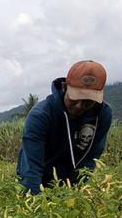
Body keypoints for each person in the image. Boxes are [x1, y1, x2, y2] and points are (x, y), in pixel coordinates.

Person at [17, 60, 113, 195]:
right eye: (75, 98)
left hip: (71, 186)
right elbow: (31, 168)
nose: (79, 106)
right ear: (64, 87)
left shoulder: (102, 115)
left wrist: (75, 195)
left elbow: (90, 158)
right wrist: (33, 203)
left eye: (88, 101)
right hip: (38, 181)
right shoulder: (40, 115)